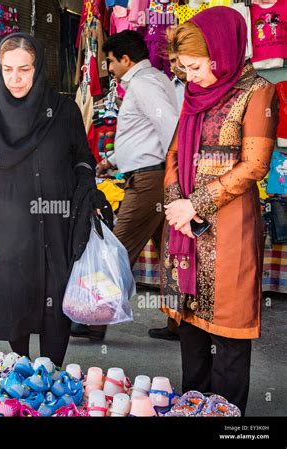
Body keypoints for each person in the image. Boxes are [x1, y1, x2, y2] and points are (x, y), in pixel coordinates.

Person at [161, 7, 278, 415]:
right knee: (190, 331)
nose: (189, 77)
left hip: (229, 230)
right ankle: (190, 407)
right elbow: (174, 154)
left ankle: (226, 417)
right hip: (184, 228)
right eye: (183, 69)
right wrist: (177, 205)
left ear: (221, 54)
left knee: (228, 336)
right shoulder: (193, 94)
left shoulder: (258, 91)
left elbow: (255, 165)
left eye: (194, 67)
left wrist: (196, 203)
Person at [0, 33, 109, 368]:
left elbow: (82, 159)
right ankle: (21, 368)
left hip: (58, 227)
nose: (15, 79)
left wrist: (87, 190)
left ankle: (52, 373)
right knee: (16, 301)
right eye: (8, 70)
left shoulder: (63, 111)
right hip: (10, 233)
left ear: (38, 68)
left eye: (24, 69)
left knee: (56, 304)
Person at [92, 30, 179, 342]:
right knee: (171, 254)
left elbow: (171, 127)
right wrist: (114, 160)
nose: (109, 68)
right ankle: (180, 324)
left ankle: (92, 319)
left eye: (111, 62)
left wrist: (172, 170)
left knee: (118, 247)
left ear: (126, 60)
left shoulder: (143, 84)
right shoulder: (154, 80)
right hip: (152, 175)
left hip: (149, 181)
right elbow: (148, 134)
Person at [148, 48, 188, 342]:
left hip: (195, 175)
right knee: (170, 252)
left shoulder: (203, 88)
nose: (177, 66)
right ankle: (175, 322)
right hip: (169, 172)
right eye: (173, 61)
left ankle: (188, 324)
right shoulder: (168, 86)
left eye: (181, 60)